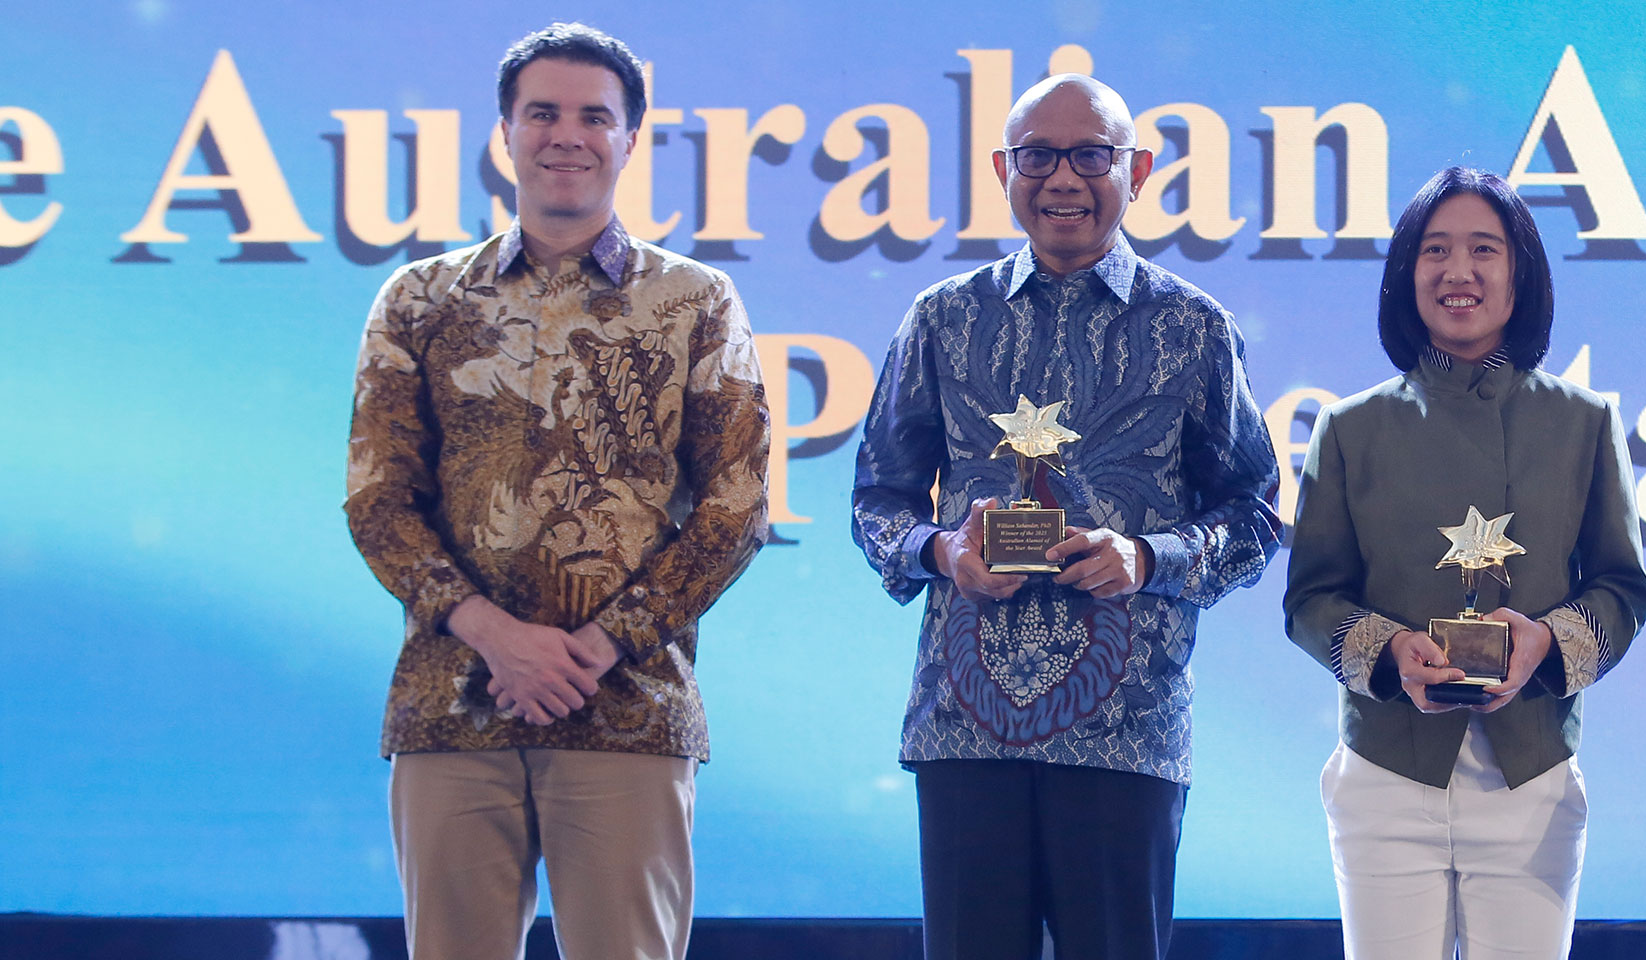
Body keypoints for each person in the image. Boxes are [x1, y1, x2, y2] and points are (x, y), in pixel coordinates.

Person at [342, 22, 770, 960]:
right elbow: (378, 502)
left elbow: (737, 511)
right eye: (542, 113)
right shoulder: (419, 300)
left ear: (629, 138)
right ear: (505, 132)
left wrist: (593, 648)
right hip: (452, 703)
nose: (566, 135)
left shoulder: (695, 301)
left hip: (628, 709)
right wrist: (499, 639)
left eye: (593, 117)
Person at [849, 74, 1280, 960]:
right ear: (1003, 169)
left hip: (1127, 724)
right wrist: (940, 550)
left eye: (1091, 155)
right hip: (965, 723)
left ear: (1138, 170)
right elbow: (877, 499)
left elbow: (1254, 515)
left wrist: (1148, 557)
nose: (1063, 179)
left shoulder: (1194, 328)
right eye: (1038, 156)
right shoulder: (942, 318)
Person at [1282, 166, 1646, 960]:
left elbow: (1622, 591)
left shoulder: (1585, 422)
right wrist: (1390, 652)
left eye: (1484, 249)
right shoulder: (1350, 428)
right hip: (1385, 770)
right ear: (1405, 273)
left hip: (1532, 772)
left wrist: (1546, 642)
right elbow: (1310, 600)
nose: (1459, 271)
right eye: (1435, 249)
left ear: (1521, 273)